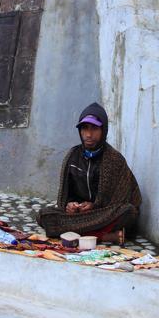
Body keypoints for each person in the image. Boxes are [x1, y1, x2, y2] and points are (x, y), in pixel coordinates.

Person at [37, 103, 142, 244]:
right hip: (78, 216)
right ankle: (104, 236)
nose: (88, 134)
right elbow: (65, 197)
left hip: (102, 214)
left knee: (128, 212)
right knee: (44, 215)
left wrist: (94, 206)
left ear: (103, 130)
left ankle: (74, 235)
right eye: (84, 128)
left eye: (94, 129)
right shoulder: (72, 156)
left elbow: (121, 201)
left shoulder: (114, 159)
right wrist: (70, 205)